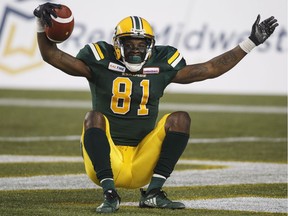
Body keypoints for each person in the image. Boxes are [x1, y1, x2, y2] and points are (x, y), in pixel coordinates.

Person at [33, 2, 278, 213]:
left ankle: (153, 192)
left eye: (141, 44)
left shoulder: (163, 63)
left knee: (180, 118)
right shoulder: (99, 59)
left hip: (143, 161)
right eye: (130, 43)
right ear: (117, 44)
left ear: (151, 46)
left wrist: (251, 42)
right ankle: (109, 195)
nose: (136, 48)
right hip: (107, 160)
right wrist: (40, 25)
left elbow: (210, 69)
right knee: (93, 117)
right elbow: (51, 55)